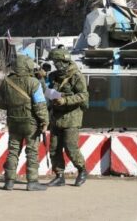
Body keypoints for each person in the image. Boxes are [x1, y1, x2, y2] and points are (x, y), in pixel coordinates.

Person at [0, 54, 49, 191]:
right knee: (31, 152)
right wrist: (44, 121)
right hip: (30, 123)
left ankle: (9, 181)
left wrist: (13, 107)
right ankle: (32, 182)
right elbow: (40, 104)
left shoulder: (6, 82)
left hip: (13, 121)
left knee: (13, 150)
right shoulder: (33, 82)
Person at [46, 48, 89, 187]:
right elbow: (46, 91)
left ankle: (82, 170)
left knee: (71, 147)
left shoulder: (76, 76)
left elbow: (84, 96)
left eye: (57, 62)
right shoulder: (53, 76)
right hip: (56, 117)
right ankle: (59, 176)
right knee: (54, 148)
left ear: (64, 61)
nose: (55, 65)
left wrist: (65, 100)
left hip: (72, 117)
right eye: (54, 62)